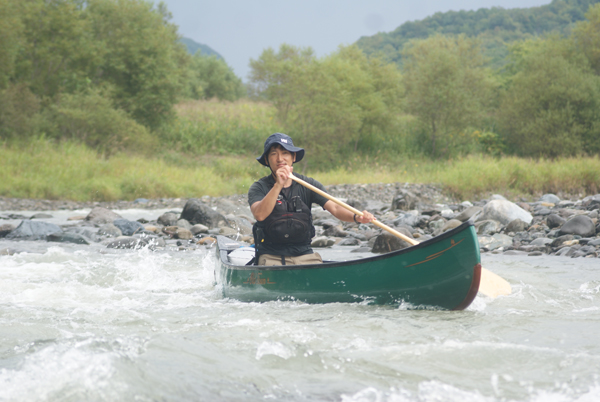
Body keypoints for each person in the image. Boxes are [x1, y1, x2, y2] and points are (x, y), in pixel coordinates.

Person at [248, 133, 375, 266]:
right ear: (267, 160)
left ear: (293, 157)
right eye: (274, 154)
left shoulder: (308, 184)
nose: (280, 159)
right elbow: (259, 214)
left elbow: (335, 207)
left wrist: (357, 217)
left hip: (305, 255)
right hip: (271, 257)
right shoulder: (259, 187)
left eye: (285, 153)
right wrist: (278, 185)